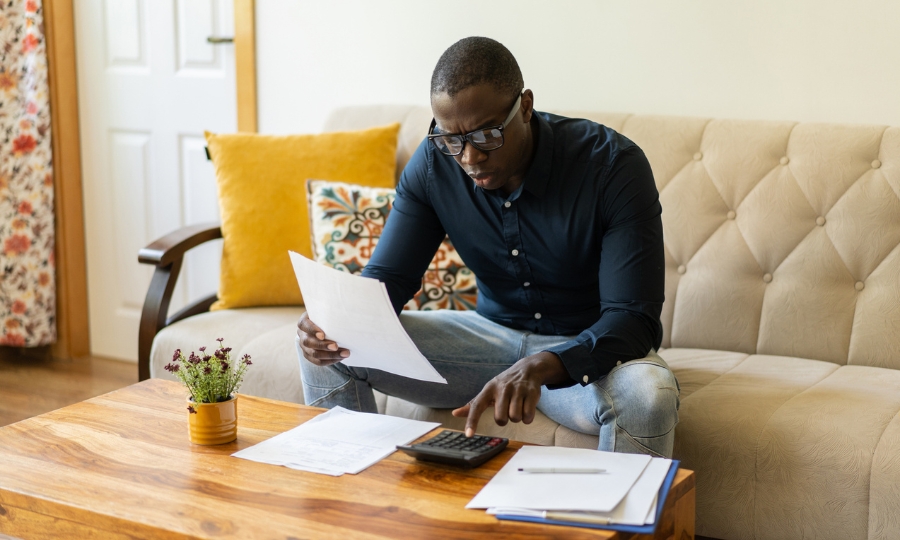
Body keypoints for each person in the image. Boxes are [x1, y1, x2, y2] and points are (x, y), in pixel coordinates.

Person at [296, 36, 680, 457]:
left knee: (648, 395)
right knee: (333, 345)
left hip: (585, 356)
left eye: (487, 135)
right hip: (485, 343)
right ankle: (351, 504)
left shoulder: (611, 167)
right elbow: (389, 280)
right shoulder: (432, 165)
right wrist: (340, 319)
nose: (469, 157)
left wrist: (543, 365)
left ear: (526, 106)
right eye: (452, 139)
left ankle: (619, 525)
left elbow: (633, 320)